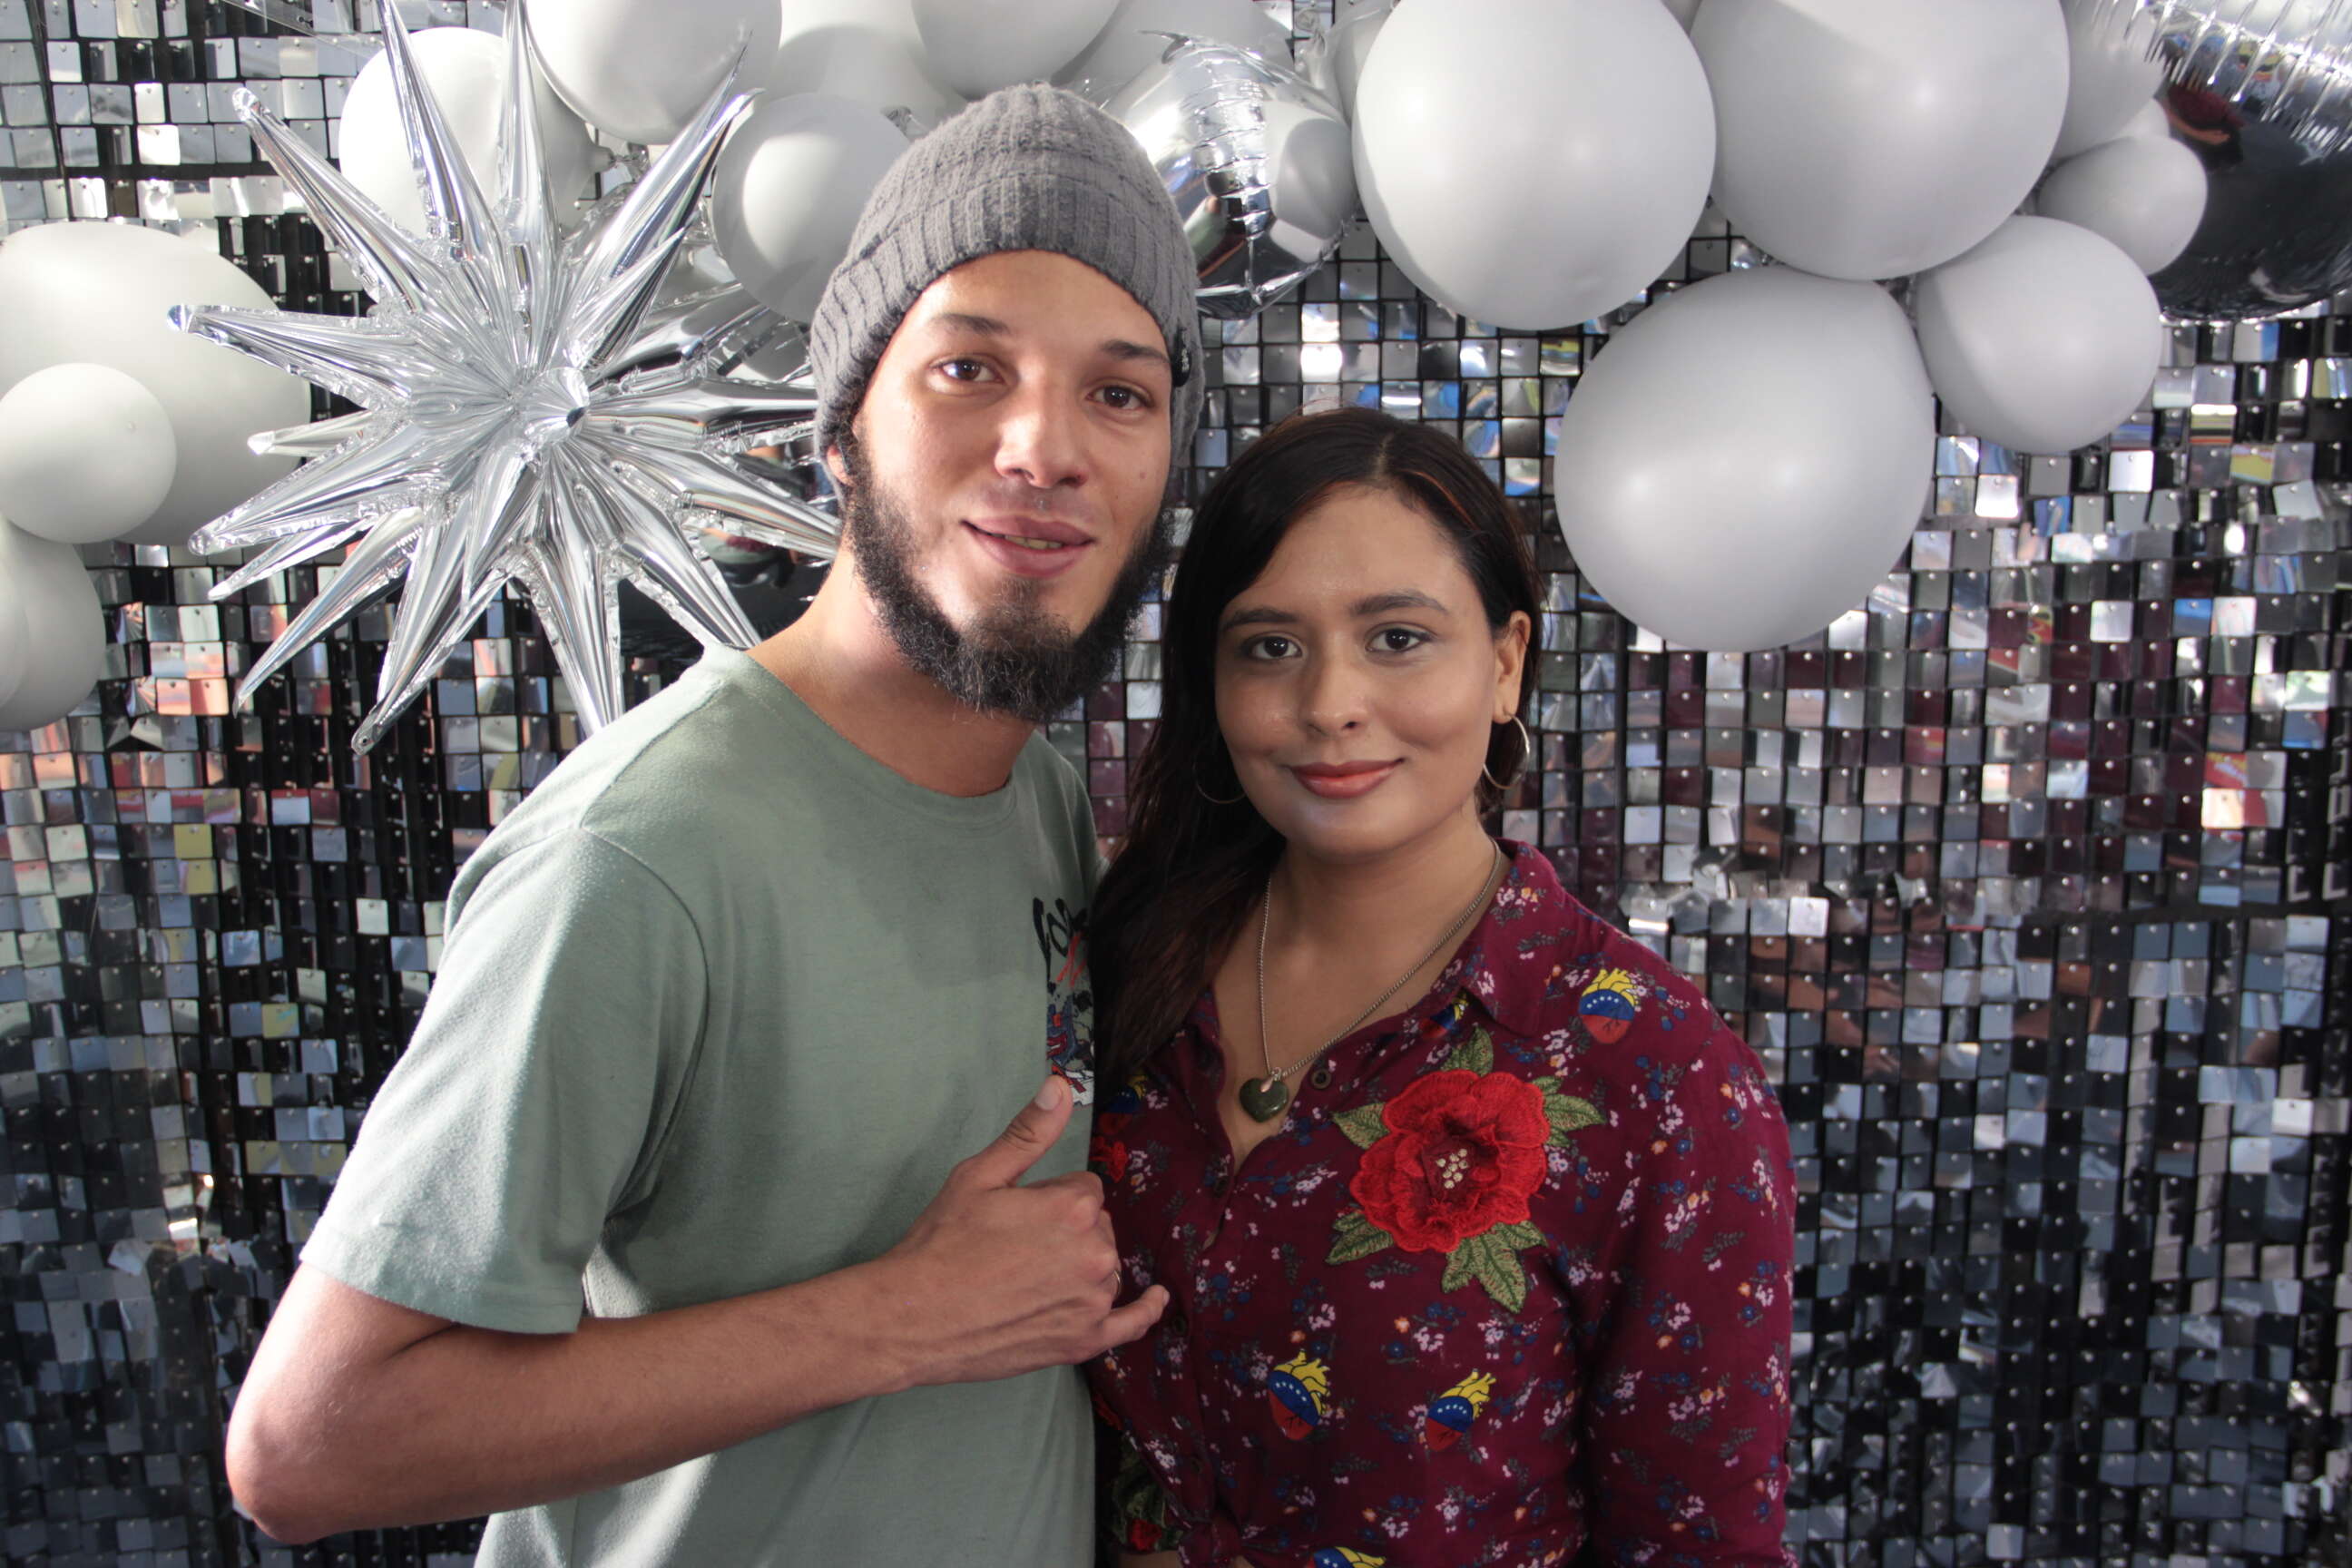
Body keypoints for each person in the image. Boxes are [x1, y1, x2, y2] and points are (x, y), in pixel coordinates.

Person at [223, 83, 1203, 1565]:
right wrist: (899, 1316)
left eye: (1119, 393)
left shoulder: (1040, 796)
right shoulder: (642, 855)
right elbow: (310, 1445)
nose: (1041, 446)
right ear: (842, 429)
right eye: (967, 369)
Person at [1085, 407, 1798, 1567]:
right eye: (1268, 647)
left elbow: (1698, 1540)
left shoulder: (1652, 1073)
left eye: (1398, 638)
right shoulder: (1124, 967)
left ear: (1505, 663)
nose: (1330, 704)